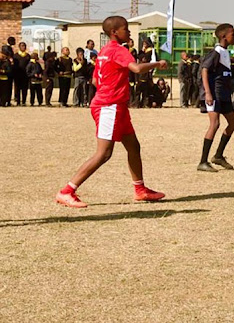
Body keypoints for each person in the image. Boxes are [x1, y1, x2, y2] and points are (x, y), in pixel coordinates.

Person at [55, 16, 168, 208]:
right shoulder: (118, 50)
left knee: (133, 146)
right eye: (126, 28)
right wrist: (157, 64)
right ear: (114, 32)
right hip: (110, 106)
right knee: (104, 154)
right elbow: (137, 68)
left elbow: (95, 81)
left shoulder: (104, 51)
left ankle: (140, 190)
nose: (129, 32)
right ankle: (67, 191)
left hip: (116, 106)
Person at [198, 24, 234, 172]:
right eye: (233, 34)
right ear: (224, 36)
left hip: (224, 95)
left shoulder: (225, 52)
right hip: (214, 94)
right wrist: (208, 93)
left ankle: (218, 156)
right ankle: (203, 162)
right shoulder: (215, 52)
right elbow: (204, 70)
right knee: (214, 124)